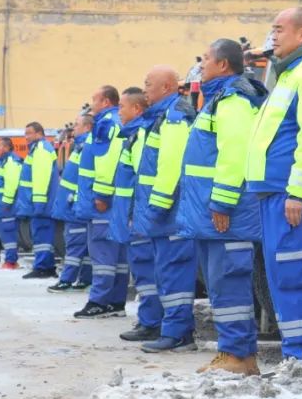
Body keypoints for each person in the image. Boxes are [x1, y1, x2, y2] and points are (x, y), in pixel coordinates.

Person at [246, 7, 302, 361]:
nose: (273, 36)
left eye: (279, 29)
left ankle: (301, 357)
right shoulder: (287, 76)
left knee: (296, 275)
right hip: (275, 194)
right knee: (284, 276)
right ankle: (293, 353)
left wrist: (297, 192)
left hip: (290, 195)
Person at [177, 39, 267, 374]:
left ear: (224, 65)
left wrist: (223, 203)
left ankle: (238, 356)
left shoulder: (233, 100)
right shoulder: (218, 99)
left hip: (227, 214)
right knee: (221, 284)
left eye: (206, 59)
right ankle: (236, 353)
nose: (201, 65)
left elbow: (234, 154)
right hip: (215, 213)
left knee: (229, 282)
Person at [131, 66, 198, 352]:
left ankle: (179, 334)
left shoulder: (175, 116)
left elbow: (171, 166)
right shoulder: (162, 115)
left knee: (175, 274)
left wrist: (156, 206)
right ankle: (170, 329)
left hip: (170, 212)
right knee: (166, 272)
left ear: (167, 86)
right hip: (163, 212)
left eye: (149, 84)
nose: (145, 89)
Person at [110, 88, 160, 341]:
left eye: (122, 107)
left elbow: (143, 177)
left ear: (137, 110)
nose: (119, 112)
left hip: (138, 214)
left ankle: (151, 322)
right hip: (133, 212)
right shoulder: (133, 134)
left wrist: (134, 213)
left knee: (145, 268)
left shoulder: (140, 134)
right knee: (141, 269)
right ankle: (147, 319)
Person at [73, 87, 126, 317]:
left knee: (102, 253)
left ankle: (99, 301)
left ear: (105, 101)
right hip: (113, 201)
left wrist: (102, 195)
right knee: (118, 256)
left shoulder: (106, 123)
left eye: (94, 99)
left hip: (103, 204)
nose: (91, 104)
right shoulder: (115, 121)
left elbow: (107, 160)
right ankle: (115, 302)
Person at [48, 114, 94, 292]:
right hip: (72, 205)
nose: (74, 128)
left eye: (77, 125)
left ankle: (66, 280)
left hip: (74, 206)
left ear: (88, 127)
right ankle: (84, 278)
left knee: (74, 245)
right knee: (84, 246)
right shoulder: (79, 147)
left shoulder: (85, 147)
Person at [15, 122, 59, 279]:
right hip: (39, 203)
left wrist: (39, 204)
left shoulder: (40, 150)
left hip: (41, 203)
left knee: (42, 236)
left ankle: (42, 267)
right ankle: (45, 266)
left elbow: (41, 178)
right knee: (42, 236)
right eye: (25, 134)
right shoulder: (38, 149)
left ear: (39, 133)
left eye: (29, 133)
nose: (26, 137)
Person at [0, 137, 24, 271]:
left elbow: (11, 184)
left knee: (8, 232)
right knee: (6, 232)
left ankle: (11, 261)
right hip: (3, 204)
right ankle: (10, 260)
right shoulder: (4, 162)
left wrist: (6, 203)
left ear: (6, 148)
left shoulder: (11, 162)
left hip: (7, 206)